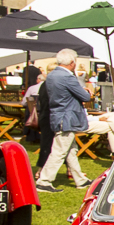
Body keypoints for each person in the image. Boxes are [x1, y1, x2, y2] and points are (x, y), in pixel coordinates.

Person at [36, 49, 92, 193]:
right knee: (59, 151)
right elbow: (85, 97)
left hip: (58, 115)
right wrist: (87, 91)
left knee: (71, 151)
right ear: (72, 63)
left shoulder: (51, 75)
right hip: (67, 118)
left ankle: (80, 180)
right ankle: (44, 181)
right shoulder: (67, 77)